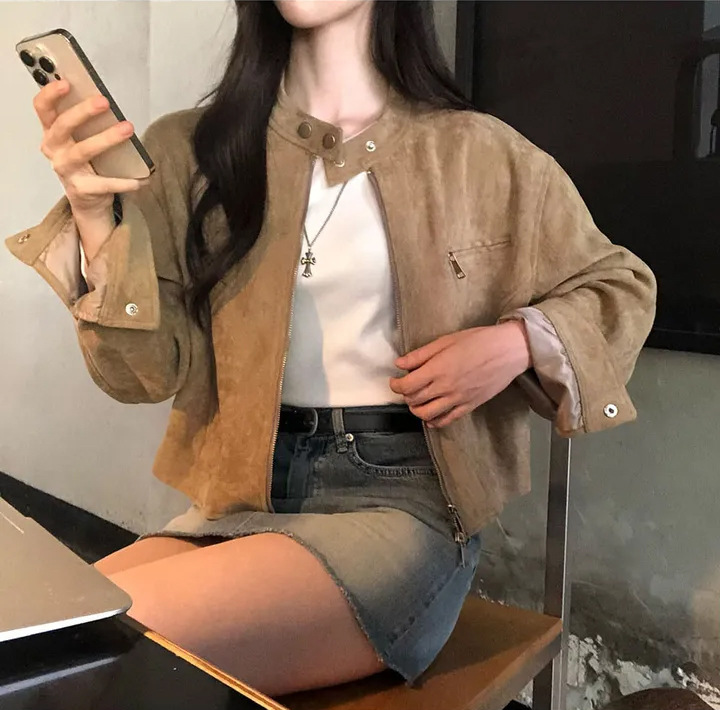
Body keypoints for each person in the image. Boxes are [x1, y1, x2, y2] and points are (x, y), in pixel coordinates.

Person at [6, 0, 656, 698]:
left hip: (402, 507)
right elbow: (142, 376)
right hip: (239, 498)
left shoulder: (479, 152)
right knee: (35, 632)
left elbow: (618, 286)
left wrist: (514, 343)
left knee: (81, 656)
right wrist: (94, 219)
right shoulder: (191, 151)